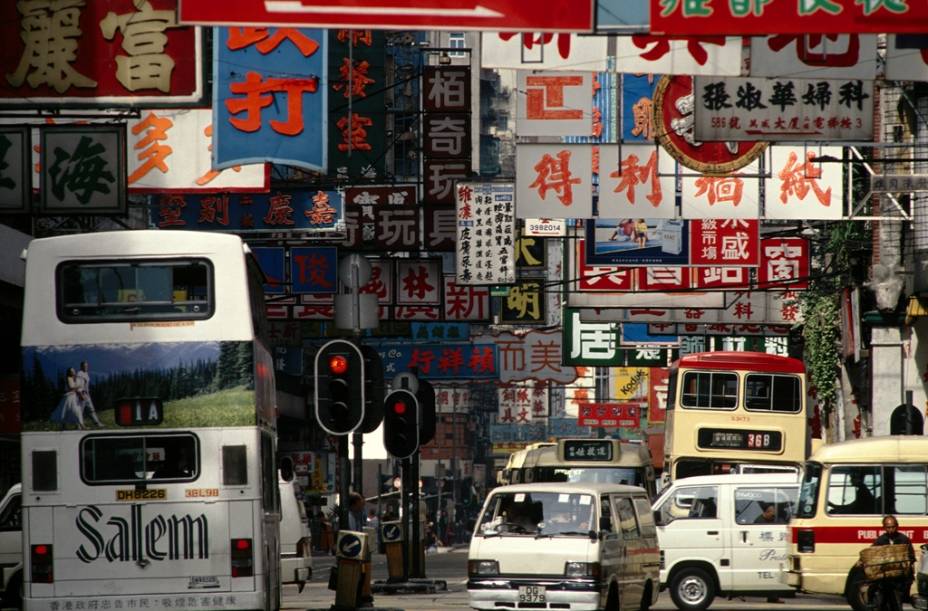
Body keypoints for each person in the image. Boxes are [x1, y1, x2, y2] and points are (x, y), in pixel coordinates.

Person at [866, 515, 915, 611]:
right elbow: (872, 555)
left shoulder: (904, 539)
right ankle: (870, 601)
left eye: (893, 527)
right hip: (884, 577)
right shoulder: (880, 540)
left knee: (897, 603)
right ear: (884, 527)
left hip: (899, 577)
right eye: (888, 527)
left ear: (897, 526)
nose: (891, 529)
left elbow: (911, 556)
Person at [76, 361, 103, 427]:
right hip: (82, 394)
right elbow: (78, 385)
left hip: (87, 394)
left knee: (91, 409)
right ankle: (78, 425)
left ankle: (97, 423)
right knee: (80, 411)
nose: (86, 367)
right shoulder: (79, 374)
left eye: (87, 366)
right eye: (84, 366)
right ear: (81, 366)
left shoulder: (86, 373)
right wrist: (81, 395)